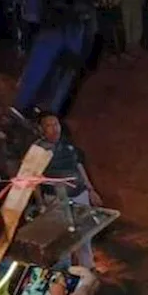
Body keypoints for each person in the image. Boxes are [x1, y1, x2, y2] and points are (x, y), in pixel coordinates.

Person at [34, 112, 103, 268]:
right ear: (40, 129)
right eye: (49, 126)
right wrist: (41, 204)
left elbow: (79, 166)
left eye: (56, 124)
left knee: (85, 234)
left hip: (80, 194)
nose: (54, 129)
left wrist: (90, 190)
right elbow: (34, 179)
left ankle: (87, 268)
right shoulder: (37, 151)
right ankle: (64, 274)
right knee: (62, 238)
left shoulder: (67, 145)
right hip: (57, 199)